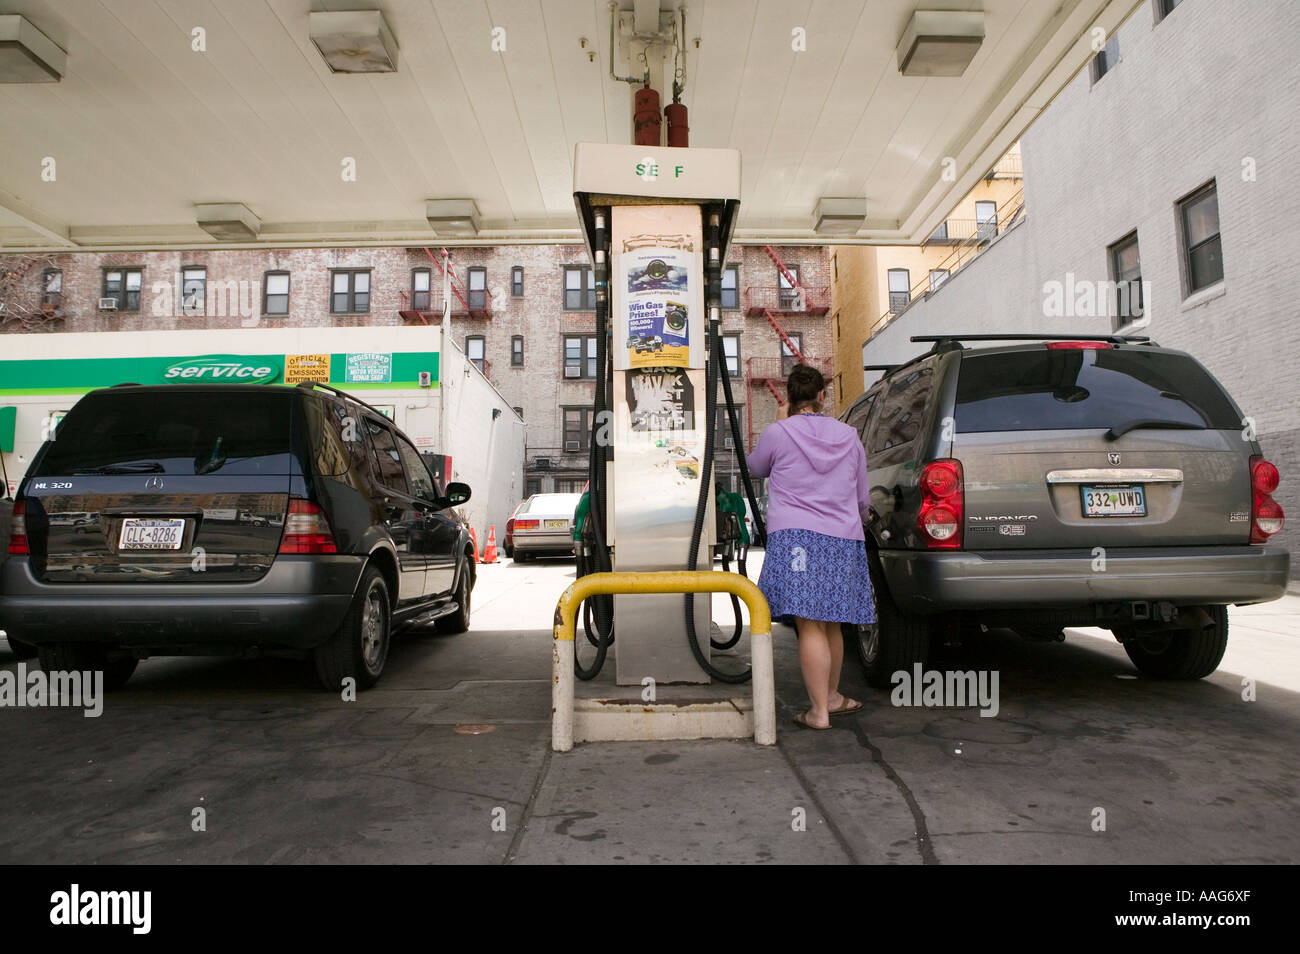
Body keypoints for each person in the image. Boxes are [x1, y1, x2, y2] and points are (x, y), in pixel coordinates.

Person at [746, 363, 875, 730]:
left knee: (810, 624)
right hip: (843, 535)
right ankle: (831, 698)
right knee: (831, 622)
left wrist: (779, 421)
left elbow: (756, 468)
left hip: (796, 538)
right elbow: (862, 497)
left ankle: (819, 711)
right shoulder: (850, 435)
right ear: (822, 396)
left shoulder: (779, 433)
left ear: (789, 397)